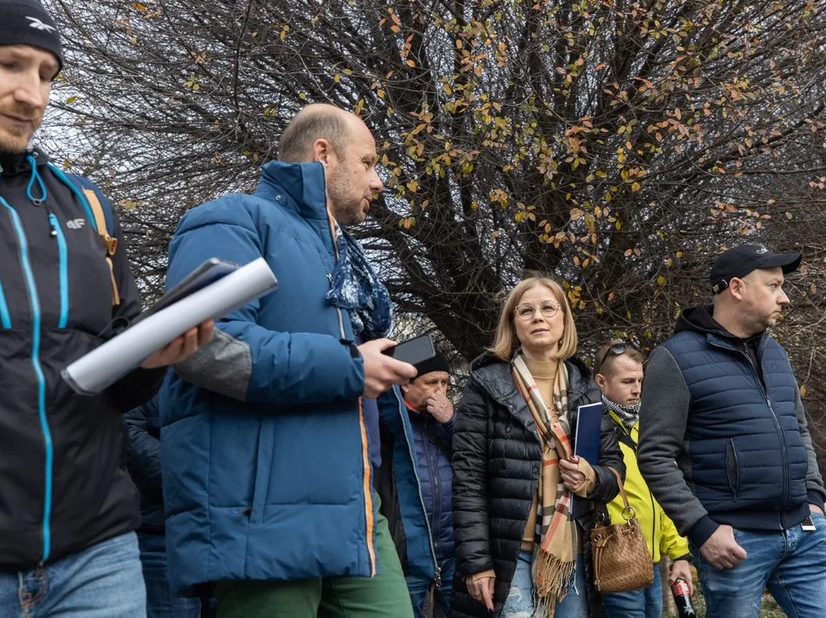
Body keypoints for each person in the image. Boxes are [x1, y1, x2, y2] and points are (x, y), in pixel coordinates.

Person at [0, 0, 212, 615]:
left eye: (49, 74)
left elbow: (114, 382)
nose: (33, 95)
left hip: (97, 556)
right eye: (9, 64)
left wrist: (153, 360)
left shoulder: (87, 207)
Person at [158, 104, 418, 617]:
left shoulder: (343, 257)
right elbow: (205, 347)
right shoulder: (232, 219)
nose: (378, 181)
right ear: (324, 154)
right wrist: (349, 367)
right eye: (367, 163)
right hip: (264, 515)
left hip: (356, 506)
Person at [638, 243, 826, 618]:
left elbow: (799, 430)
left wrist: (814, 497)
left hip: (804, 534)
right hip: (734, 544)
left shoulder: (775, 352)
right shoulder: (674, 358)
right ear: (736, 288)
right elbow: (654, 456)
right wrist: (701, 530)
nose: (784, 298)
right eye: (774, 286)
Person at [452, 275, 625, 618]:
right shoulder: (484, 387)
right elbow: (468, 482)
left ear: (563, 321)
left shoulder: (586, 388)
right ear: (513, 324)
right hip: (507, 552)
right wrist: (477, 563)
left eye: (548, 308)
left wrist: (591, 478)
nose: (538, 317)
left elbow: (614, 467)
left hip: (570, 551)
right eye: (526, 311)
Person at [592, 341, 695, 618]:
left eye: (640, 380)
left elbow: (661, 496)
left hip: (651, 560)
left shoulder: (645, 427)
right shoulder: (593, 430)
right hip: (617, 558)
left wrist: (679, 553)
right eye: (628, 381)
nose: (637, 389)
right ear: (601, 382)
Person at [376, 354, 457, 617]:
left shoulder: (450, 424)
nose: (440, 390)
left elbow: (475, 461)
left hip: (452, 554)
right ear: (405, 385)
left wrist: (451, 424)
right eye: (431, 382)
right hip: (406, 557)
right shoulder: (385, 424)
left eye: (445, 383)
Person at [125, 396, 202, 617]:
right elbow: (127, 431)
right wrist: (196, 479)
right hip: (162, 534)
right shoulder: (142, 368)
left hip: (224, 535)